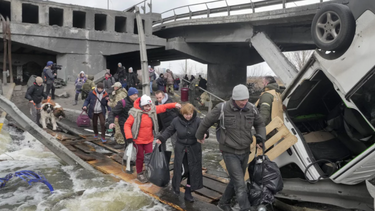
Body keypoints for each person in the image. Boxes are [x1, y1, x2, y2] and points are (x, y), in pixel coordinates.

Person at [195, 84, 266, 211]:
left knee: (235, 180)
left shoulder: (252, 109)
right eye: (241, 100)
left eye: (246, 100)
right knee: (240, 184)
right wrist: (200, 135)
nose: (244, 103)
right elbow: (206, 121)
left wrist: (261, 137)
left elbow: (260, 123)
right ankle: (246, 208)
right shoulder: (222, 108)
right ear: (234, 99)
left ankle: (223, 203)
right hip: (229, 151)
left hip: (245, 151)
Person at [156, 103, 209, 202]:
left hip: (194, 149)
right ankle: (175, 186)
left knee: (191, 171)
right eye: (186, 114)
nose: (188, 116)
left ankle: (188, 190)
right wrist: (161, 138)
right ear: (182, 113)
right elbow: (169, 130)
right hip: (181, 149)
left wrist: (204, 135)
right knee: (181, 169)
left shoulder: (198, 121)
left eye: (190, 114)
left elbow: (204, 130)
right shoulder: (176, 121)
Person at [124, 95, 181, 183]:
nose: (148, 108)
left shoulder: (152, 110)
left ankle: (148, 171)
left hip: (149, 139)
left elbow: (163, 107)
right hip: (137, 140)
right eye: (146, 106)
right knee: (140, 157)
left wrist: (174, 104)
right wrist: (129, 137)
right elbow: (127, 125)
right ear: (142, 105)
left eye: (149, 105)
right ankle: (139, 173)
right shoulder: (134, 113)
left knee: (150, 156)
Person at [107, 82, 128, 148]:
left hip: (119, 113)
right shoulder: (119, 93)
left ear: (117, 87)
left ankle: (121, 142)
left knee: (118, 127)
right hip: (119, 113)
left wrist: (110, 104)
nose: (113, 88)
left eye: (114, 87)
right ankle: (117, 139)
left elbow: (117, 105)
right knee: (116, 127)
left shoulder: (120, 95)